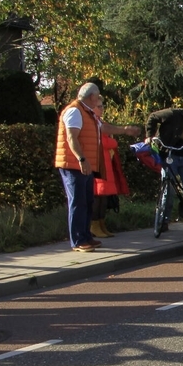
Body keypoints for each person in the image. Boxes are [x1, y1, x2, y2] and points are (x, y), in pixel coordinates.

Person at [54, 82, 140, 252]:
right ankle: (78, 240)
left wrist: (125, 130)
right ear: (91, 96)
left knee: (87, 201)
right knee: (78, 202)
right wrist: (81, 158)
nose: (100, 98)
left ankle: (86, 236)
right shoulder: (75, 111)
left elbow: (104, 128)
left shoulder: (89, 113)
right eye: (98, 95)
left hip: (85, 164)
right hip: (74, 164)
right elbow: (72, 138)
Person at [90, 100, 130, 239]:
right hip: (99, 164)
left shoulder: (101, 122)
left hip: (106, 163)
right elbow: (103, 142)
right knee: (98, 196)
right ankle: (94, 225)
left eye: (102, 106)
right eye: (99, 106)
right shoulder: (93, 123)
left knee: (104, 196)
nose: (102, 109)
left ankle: (101, 223)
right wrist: (113, 142)